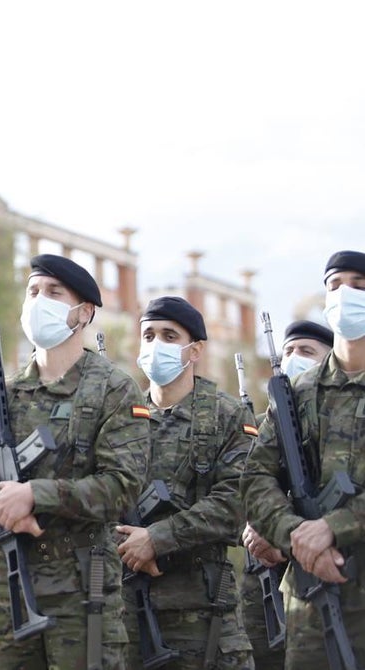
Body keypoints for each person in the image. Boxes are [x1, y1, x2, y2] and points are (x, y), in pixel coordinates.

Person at [0, 254, 150, 670]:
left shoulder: (114, 389)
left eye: (54, 293)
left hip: (81, 592)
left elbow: (122, 485)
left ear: (84, 312)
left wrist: (35, 495)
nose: (39, 301)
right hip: (6, 592)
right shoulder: (3, 392)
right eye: (33, 292)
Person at [115, 296, 255, 668]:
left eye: (168, 335)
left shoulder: (227, 415)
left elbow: (238, 501)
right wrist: (128, 545)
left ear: (194, 350)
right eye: (148, 335)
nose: (155, 345)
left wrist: (157, 539)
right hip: (126, 609)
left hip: (202, 614)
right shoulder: (122, 417)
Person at [242, 250, 365, 669]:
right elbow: (256, 477)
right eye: (334, 285)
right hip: (311, 597)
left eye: (358, 285)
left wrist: (333, 528)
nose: (344, 294)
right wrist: (295, 533)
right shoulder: (297, 393)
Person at [240, 319, 333, 670]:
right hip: (264, 588)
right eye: (288, 351)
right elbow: (243, 486)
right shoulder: (265, 423)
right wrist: (254, 525)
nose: (293, 358)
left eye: (306, 352)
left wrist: (281, 533)